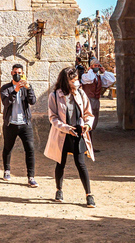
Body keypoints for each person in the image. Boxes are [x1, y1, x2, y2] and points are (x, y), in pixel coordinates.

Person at [45, 66, 96, 208]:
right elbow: (53, 117)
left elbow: (88, 113)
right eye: (74, 80)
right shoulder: (55, 95)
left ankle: (89, 194)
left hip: (78, 133)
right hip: (63, 133)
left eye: (77, 80)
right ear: (66, 81)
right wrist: (66, 128)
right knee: (60, 163)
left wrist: (87, 125)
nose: (77, 82)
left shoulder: (81, 94)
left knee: (81, 163)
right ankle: (59, 190)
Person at [0, 64, 38, 187]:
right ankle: (6, 170)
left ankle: (31, 177)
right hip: (10, 123)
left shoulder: (26, 88)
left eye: (20, 73)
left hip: (25, 123)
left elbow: (32, 101)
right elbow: (6, 103)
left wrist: (29, 88)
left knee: (30, 149)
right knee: (7, 148)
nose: (18, 74)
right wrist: (15, 90)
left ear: (23, 74)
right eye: (15, 72)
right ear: (11, 73)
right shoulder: (5, 88)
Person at [80, 61, 115, 134]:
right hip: (87, 100)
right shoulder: (85, 76)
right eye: (95, 65)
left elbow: (111, 80)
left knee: (94, 116)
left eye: (98, 66)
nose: (97, 67)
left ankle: (91, 130)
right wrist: (90, 70)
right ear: (91, 66)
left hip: (96, 100)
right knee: (87, 116)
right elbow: (90, 79)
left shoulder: (99, 77)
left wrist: (104, 71)